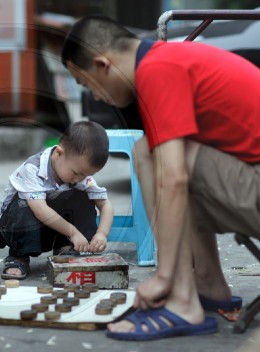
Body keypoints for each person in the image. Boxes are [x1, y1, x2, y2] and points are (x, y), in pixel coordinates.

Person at [61, 15, 260, 341]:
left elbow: (175, 179)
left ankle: (183, 302)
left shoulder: (157, 69)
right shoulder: (169, 58)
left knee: (150, 156)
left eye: (87, 85)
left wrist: (163, 276)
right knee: (161, 152)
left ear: (103, 64)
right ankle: (208, 284)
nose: (95, 97)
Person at [0, 121, 114, 280]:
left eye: (85, 175)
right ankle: (18, 256)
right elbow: (40, 210)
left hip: (48, 227)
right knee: (25, 203)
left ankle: (65, 247)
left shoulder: (78, 175)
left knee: (83, 196)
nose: (79, 179)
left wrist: (102, 234)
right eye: (75, 173)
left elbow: (105, 204)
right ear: (59, 153)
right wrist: (73, 232)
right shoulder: (33, 168)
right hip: (14, 228)